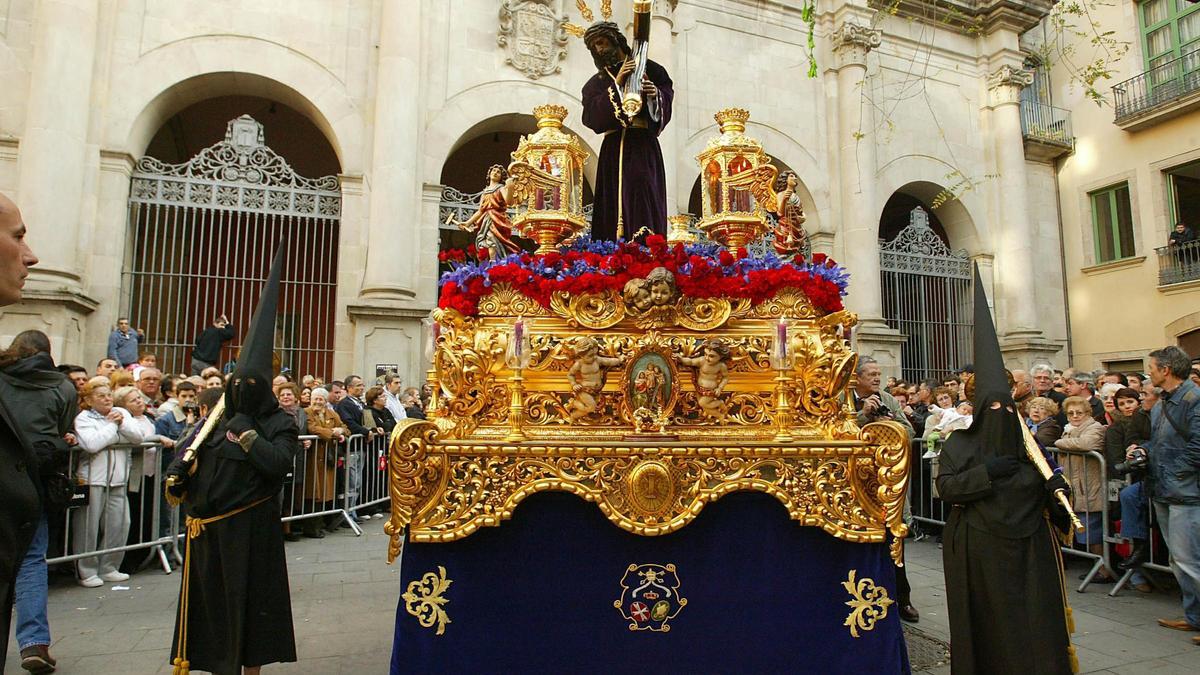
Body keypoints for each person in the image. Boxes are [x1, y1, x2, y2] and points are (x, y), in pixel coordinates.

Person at [164, 245, 298, 674]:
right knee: (214, 614)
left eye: (252, 386)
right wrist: (178, 477)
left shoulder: (279, 422)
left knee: (252, 610)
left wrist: (248, 437)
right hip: (209, 531)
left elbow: (278, 464)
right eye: (239, 384)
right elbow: (190, 452)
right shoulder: (216, 417)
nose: (244, 391)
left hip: (251, 528)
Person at [936, 265, 1075, 674]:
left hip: (1029, 553)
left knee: (1032, 624)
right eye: (991, 408)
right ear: (978, 411)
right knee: (991, 629)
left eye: (1005, 408)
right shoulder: (960, 444)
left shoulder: (1028, 448)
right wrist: (988, 474)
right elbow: (948, 488)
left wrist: (1055, 490)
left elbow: (1050, 493)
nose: (999, 415)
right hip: (980, 551)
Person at [1, 330, 76, 673]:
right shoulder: (62, 387)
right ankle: (34, 643)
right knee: (31, 560)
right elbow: (61, 433)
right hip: (33, 481)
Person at [580, 20, 673, 240]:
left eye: (601, 42)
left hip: (642, 146)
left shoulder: (652, 69)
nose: (599, 49)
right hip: (612, 150)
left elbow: (666, 100)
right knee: (612, 201)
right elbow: (591, 117)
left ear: (615, 40)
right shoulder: (597, 83)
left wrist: (654, 95)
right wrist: (618, 84)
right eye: (594, 47)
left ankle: (644, 248)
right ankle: (609, 253)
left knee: (642, 189)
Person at [1137, 346, 1200, 641]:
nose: (1148, 372)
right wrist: (1142, 451)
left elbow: (1197, 447)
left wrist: (1175, 473)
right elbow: (1159, 443)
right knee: (1179, 560)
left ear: (1166, 370)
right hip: (1164, 488)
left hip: (1186, 492)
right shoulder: (1161, 403)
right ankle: (1194, 617)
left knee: (1190, 560)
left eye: (1151, 367)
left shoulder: (1194, 399)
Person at [850, 357, 918, 623]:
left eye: (879, 374)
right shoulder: (843, 398)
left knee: (894, 539)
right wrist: (862, 416)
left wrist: (886, 424)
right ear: (857, 378)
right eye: (871, 374)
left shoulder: (887, 399)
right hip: (855, 480)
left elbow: (908, 431)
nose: (877, 379)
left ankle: (903, 599)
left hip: (885, 478)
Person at [73, 380, 145, 587]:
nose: (107, 399)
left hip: (118, 478)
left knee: (120, 523)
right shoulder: (84, 418)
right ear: (88, 400)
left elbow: (138, 438)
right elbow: (92, 444)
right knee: (88, 526)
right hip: (93, 479)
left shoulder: (122, 412)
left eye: (108, 394)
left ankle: (110, 566)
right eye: (101, 395)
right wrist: (113, 427)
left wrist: (121, 422)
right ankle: (86, 570)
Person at [1054, 396, 1114, 582]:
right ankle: (1097, 565)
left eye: (1079, 412)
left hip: (1090, 486)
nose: (1074, 416)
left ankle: (1104, 569)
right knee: (1085, 530)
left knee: (1093, 530)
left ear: (1088, 413)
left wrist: (1058, 443)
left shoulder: (1094, 428)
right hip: (1075, 485)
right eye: (1070, 413)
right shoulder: (1068, 430)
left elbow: (1086, 444)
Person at [446, 165, 524, 261]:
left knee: (492, 241)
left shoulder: (501, 188)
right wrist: (468, 223)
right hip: (487, 219)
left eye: (498, 172)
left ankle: (494, 263)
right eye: (493, 171)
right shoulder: (485, 192)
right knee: (485, 243)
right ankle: (490, 263)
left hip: (497, 219)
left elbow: (510, 202)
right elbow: (480, 210)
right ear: (489, 174)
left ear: (501, 177)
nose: (495, 173)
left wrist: (511, 188)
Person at [304, 388, 345, 538]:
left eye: (321, 399)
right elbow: (312, 428)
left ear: (326, 401)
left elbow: (345, 428)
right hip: (312, 459)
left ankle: (320, 525)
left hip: (327, 460)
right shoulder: (306, 412)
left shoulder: (332, 414)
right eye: (315, 399)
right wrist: (331, 433)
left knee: (324, 494)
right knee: (312, 493)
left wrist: (340, 431)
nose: (318, 402)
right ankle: (311, 527)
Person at [275, 382, 308, 542]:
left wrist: (306, 440)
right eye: (282, 395)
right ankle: (278, 529)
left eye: (289, 394)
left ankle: (288, 527)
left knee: (293, 493)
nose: (286, 397)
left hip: (298, 458)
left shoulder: (301, 413)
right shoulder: (276, 414)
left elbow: (304, 430)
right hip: (282, 458)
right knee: (280, 493)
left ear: (296, 397)